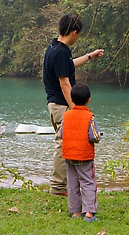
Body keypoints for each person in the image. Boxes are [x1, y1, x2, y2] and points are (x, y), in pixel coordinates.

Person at [43, 15, 104, 196]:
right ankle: (58, 187)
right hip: (62, 105)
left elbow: (69, 66)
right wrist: (76, 108)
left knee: (66, 144)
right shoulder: (61, 52)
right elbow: (65, 83)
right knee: (63, 145)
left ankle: (65, 185)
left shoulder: (55, 47)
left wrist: (89, 56)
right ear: (74, 32)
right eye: (78, 34)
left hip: (55, 104)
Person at [57, 84, 102, 222]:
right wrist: (99, 135)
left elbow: (60, 134)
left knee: (72, 184)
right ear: (88, 99)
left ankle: (75, 211)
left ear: (72, 99)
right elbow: (94, 136)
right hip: (84, 156)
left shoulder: (66, 115)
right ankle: (89, 212)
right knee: (88, 182)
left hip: (69, 155)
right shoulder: (90, 117)